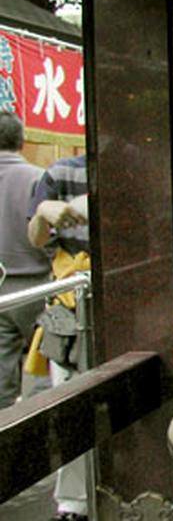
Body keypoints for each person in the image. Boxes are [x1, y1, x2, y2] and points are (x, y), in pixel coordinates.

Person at [27, 152, 90, 521]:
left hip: (131, 297)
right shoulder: (61, 172)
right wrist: (43, 213)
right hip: (70, 303)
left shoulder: (141, 163)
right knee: (69, 400)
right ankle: (72, 503)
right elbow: (36, 237)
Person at [0, 111, 51, 410]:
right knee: (41, 367)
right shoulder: (37, 178)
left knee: (3, 376)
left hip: (2, 289)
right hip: (37, 287)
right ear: (21, 141)